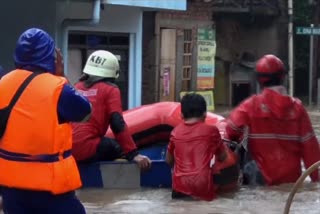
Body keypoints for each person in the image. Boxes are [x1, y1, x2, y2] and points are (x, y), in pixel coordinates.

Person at [0, 28, 91, 214]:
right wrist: (61, 75)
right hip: (50, 188)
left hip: (11, 188)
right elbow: (85, 112)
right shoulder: (57, 88)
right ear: (51, 56)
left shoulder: (3, 83)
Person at [225, 54, 320, 186]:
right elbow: (311, 148)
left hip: (262, 181)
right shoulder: (297, 108)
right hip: (292, 180)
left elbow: (230, 130)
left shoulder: (251, 105)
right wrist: (316, 180)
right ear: (283, 77)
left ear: (259, 80)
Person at [72, 50, 151, 170]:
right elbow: (117, 123)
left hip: (68, 149)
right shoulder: (110, 89)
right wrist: (133, 154)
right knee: (116, 148)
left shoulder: (77, 86)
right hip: (88, 149)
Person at [165, 93, 238, 201]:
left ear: (181, 115)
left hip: (179, 187)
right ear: (205, 114)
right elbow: (222, 157)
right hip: (202, 185)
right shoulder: (212, 131)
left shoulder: (175, 132)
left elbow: (169, 161)